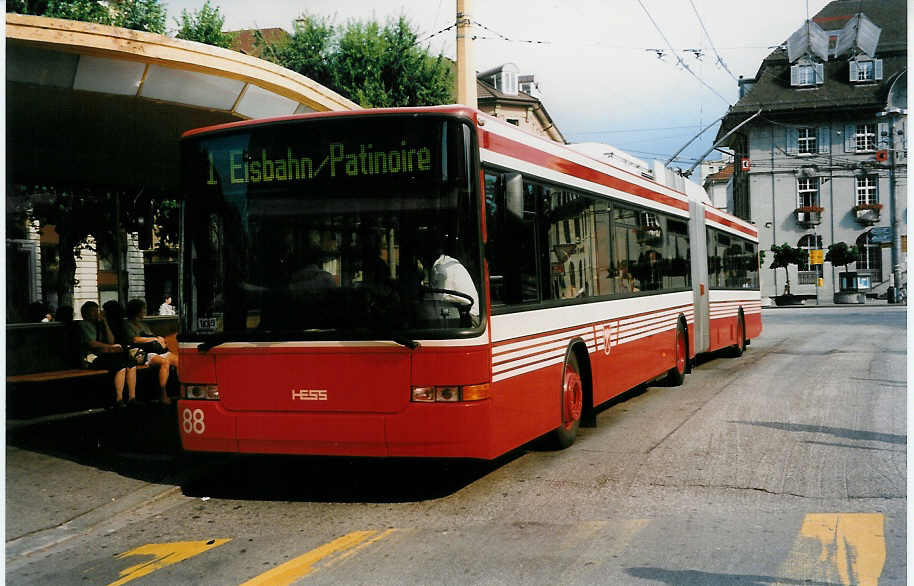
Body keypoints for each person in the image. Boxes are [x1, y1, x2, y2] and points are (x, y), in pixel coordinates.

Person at [79, 301, 137, 407]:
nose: (96, 313)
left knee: (130, 362)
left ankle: (132, 397)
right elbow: (92, 343)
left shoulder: (99, 324)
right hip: (90, 358)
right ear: (84, 313)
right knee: (120, 365)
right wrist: (110, 347)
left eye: (97, 311)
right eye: (93, 311)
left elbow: (111, 340)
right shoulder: (83, 325)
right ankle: (119, 399)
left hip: (103, 355)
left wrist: (105, 323)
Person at [418, 231, 480, 326]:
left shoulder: (440, 269)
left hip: (469, 319)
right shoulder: (446, 262)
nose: (421, 260)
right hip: (461, 312)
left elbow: (435, 303)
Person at [126, 298, 178, 405]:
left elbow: (150, 335)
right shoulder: (127, 325)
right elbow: (134, 339)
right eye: (143, 309)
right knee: (165, 362)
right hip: (144, 352)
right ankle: (163, 394)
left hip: (156, 349)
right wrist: (154, 339)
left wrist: (159, 339)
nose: (144, 312)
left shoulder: (143, 324)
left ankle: (181, 391)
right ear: (137, 311)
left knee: (179, 361)